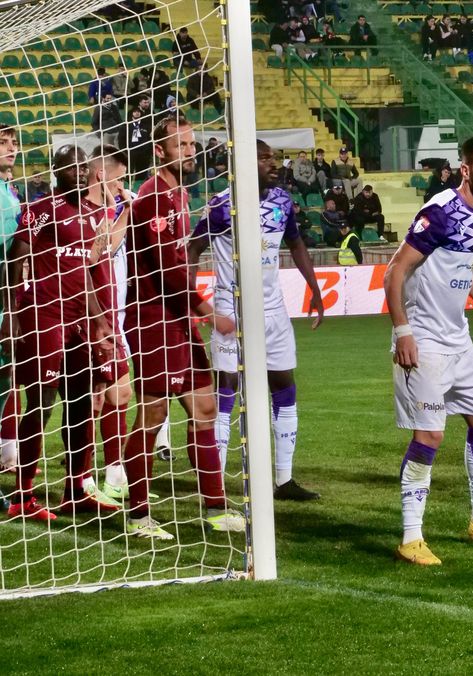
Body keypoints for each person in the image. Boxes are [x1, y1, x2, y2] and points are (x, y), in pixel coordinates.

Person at [384, 136, 473, 566]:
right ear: (466, 169)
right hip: (424, 339)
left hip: (457, 336)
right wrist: (403, 331)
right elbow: (396, 271)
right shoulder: (441, 211)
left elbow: (465, 273)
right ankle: (411, 537)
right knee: (429, 436)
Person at [122, 118, 245, 539]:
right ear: (161, 151)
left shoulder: (179, 194)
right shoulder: (154, 197)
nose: (191, 151)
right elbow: (166, 268)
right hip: (152, 320)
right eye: (181, 145)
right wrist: (207, 309)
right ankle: (139, 516)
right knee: (153, 416)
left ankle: (214, 507)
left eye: (192, 144)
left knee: (205, 410)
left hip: (177, 320)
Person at [190, 140, 326, 501]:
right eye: (265, 158)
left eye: (274, 158)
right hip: (230, 310)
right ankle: (214, 486)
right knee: (225, 391)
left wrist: (314, 288)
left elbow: (296, 244)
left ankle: (284, 479)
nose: (274, 164)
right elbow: (191, 250)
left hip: (273, 310)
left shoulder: (282, 201)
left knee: (284, 385)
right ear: (246, 163)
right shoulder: (222, 205)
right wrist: (194, 305)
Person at [5, 146, 119, 520]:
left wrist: (99, 319)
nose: (80, 174)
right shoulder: (42, 209)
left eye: (84, 168)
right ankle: (23, 496)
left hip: (77, 321)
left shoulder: (91, 215)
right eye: (71, 168)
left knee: (82, 401)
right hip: (44, 314)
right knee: (42, 402)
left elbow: (81, 272)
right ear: (56, 171)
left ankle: (75, 489)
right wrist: (11, 311)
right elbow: (16, 258)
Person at [84, 146, 138, 502]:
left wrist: (127, 210)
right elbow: (93, 255)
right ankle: (84, 479)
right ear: (103, 175)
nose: (122, 184)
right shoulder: (85, 213)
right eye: (119, 178)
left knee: (120, 393)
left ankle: (114, 472)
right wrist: (122, 214)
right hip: (92, 320)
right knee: (94, 399)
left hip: (112, 318)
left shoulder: (107, 211)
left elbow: (111, 248)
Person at [0, 126, 19, 478]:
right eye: (3, 143)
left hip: (6, 298)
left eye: (14, 143)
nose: (11, 148)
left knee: (6, 379)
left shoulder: (9, 192)